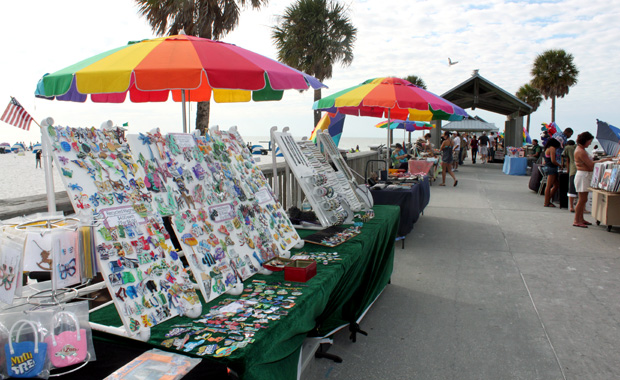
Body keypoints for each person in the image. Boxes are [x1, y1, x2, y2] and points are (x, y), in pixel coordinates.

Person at [573, 132, 613, 227]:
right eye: (589, 141)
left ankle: (580, 218)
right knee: (582, 199)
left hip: (584, 175)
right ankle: (576, 220)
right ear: (585, 140)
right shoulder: (580, 151)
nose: (590, 143)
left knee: (584, 199)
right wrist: (602, 161)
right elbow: (590, 165)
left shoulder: (581, 149)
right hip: (583, 175)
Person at [543, 138, 562, 207]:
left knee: (556, 185)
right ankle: (546, 202)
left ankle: (548, 200)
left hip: (548, 167)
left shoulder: (547, 148)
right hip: (551, 168)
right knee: (549, 186)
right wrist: (560, 165)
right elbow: (553, 160)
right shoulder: (552, 148)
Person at [562, 140, 577, 212]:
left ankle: (571, 206)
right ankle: (581, 207)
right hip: (579, 170)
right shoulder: (577, 148)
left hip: (572, 170)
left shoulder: (567, 148)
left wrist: (566, 169)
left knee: (571, 188)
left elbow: (567, 160)